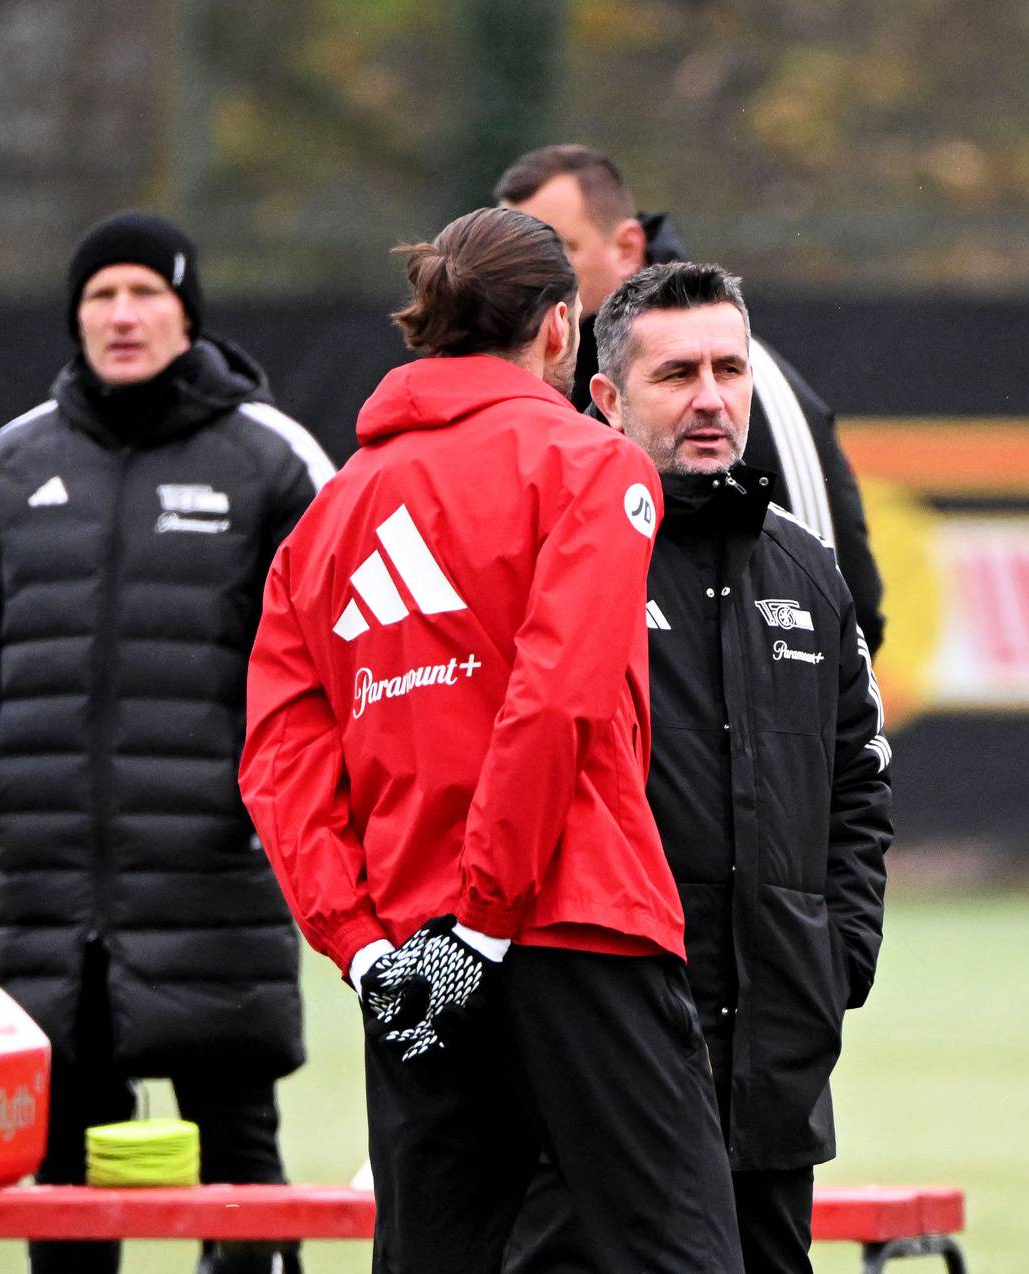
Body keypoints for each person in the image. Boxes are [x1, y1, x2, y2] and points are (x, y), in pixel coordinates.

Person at [238, 208, 743, 1274]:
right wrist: (485, 919)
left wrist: (370, 950)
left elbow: (281, 767)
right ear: (562, 328)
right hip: (573, 926)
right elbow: (554, 701)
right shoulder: (592, 468)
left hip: (412, 958)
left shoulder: (326, 521)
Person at [0, 210, 332, 1274]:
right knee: (59, 1185)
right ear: (76, 317)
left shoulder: (271, 456)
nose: (122, 313)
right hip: (50, 903)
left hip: (217, 890)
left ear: (188, 310)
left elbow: (342, 650)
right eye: (100, 295)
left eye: (145, 290)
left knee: (239, 1177)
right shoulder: (11, 464)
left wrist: (266, 797)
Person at [503, 262, 892, 1274]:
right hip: (600, 1054)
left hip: (772, 1059)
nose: (712, 397)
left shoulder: (807, 567)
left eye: (730, 367)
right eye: (678, 373)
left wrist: (834, 955)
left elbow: (859, 780)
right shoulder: (563, 551)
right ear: (605, 397)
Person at [494, 143, 887, 654]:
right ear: (606, 398)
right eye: (514, 261)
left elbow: (840, 605)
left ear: (628, 248)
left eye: (555, 252)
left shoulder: (754, 381)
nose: (527, 282)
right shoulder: (534, 376)